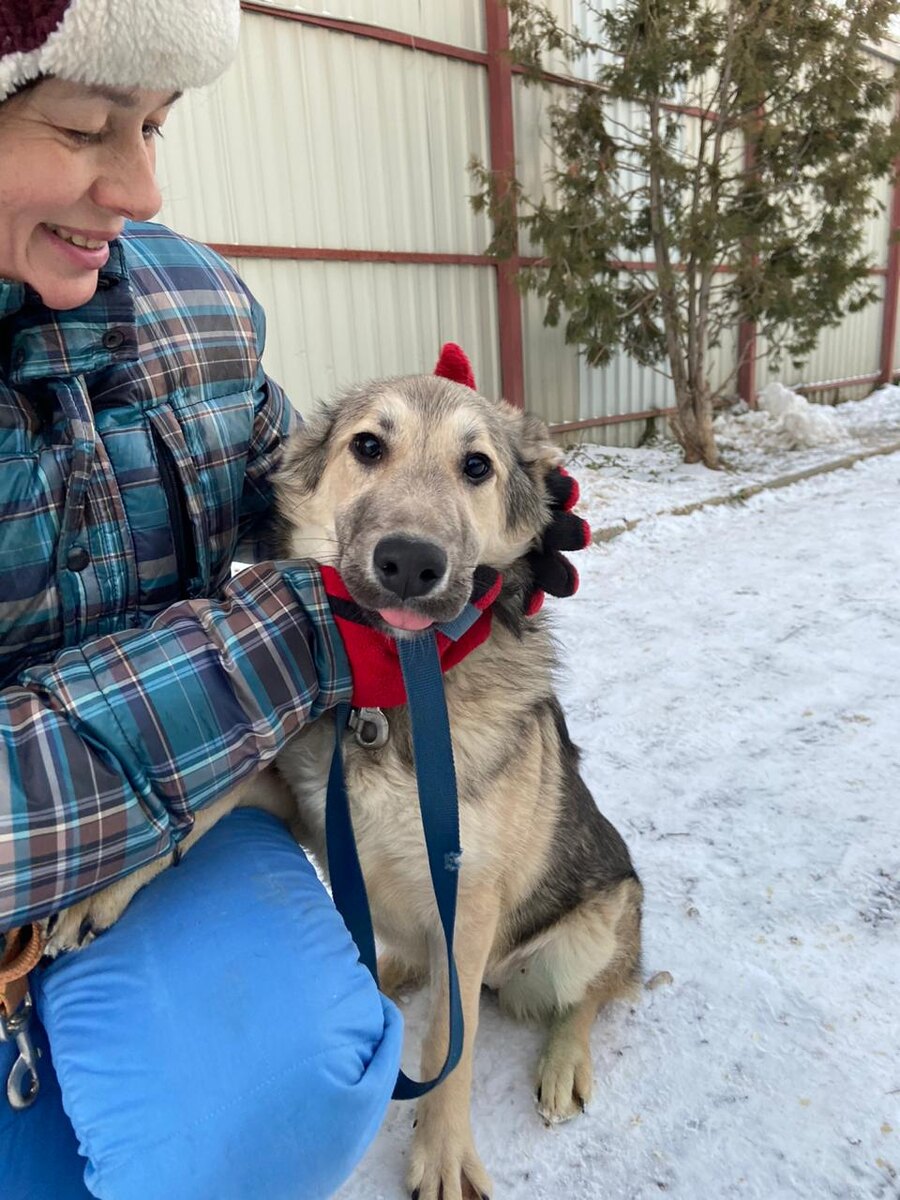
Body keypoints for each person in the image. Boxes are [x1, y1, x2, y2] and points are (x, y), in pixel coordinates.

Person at [0, 3, 587, 1197]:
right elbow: (301, 599)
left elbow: (297, 475)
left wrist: (489, 514)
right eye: (79, 125)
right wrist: (297, 640)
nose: (143, 189)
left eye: (156, 127)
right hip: (60, 821)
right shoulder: (299, 650)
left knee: (282, 1096)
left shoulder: (194, 306)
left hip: (163, 807)